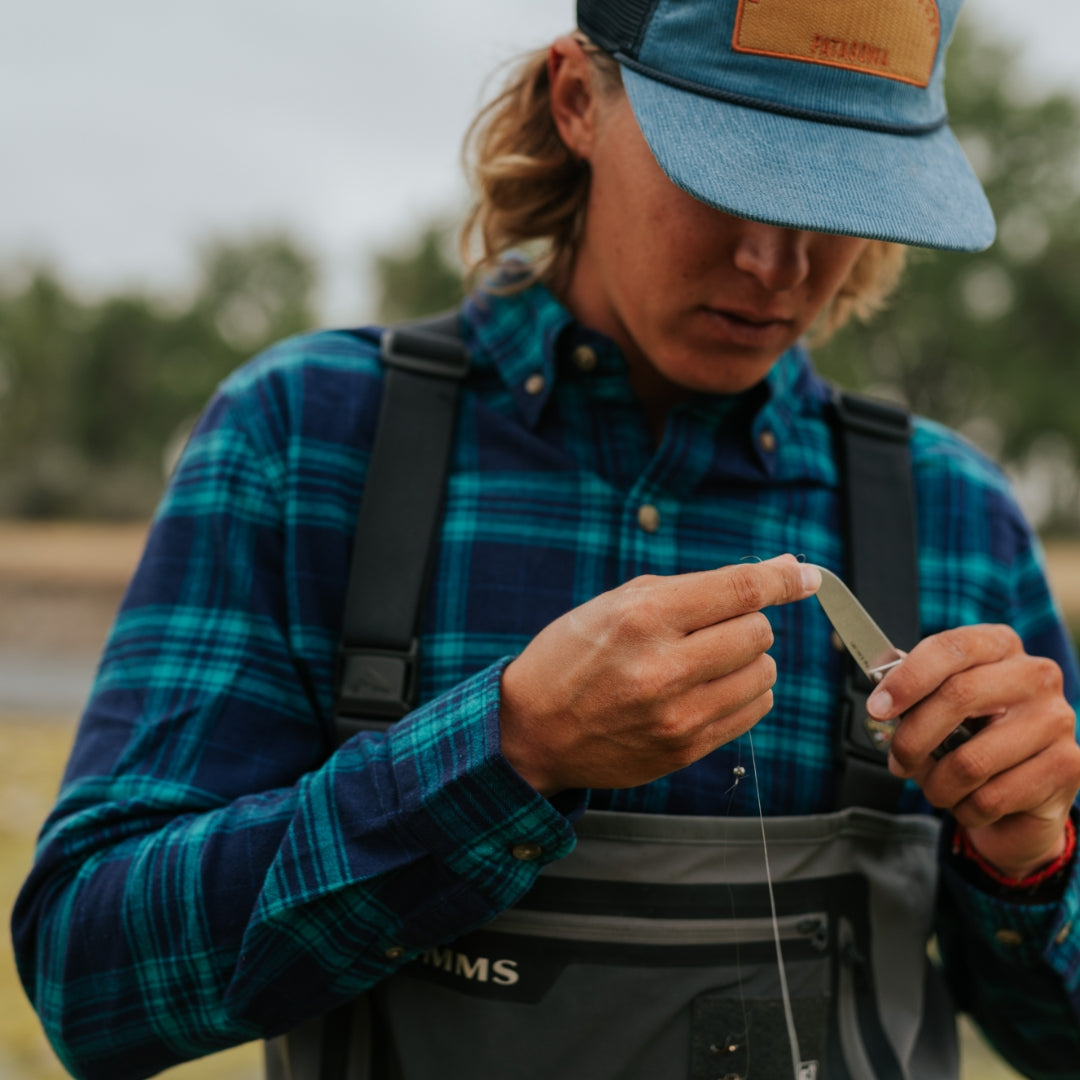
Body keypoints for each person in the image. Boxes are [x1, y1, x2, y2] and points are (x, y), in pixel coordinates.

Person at [13, 1, 1080, 1078]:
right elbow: (88, 976)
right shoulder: (306, 441)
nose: (777, 260)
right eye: (730, 176)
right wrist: (507, 749)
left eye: (837, 195)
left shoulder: (956, 514)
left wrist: (1031, 857)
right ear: (578, 99)